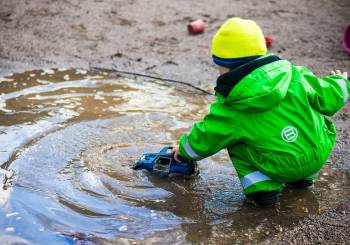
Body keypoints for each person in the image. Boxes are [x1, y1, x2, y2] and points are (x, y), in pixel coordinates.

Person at [172, 17, 349, 207]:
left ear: (224, 66)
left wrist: (183, 152)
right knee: (309, 122)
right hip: (317, 153)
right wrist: (341, 81)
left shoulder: (232, 106)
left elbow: (207, 136)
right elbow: (329, 97)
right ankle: (302, 180)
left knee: (234, 141)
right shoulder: (295, 74)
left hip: (279, 166)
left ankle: (262, 191)